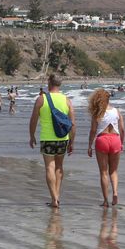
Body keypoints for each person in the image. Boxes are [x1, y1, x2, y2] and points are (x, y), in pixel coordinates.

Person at [29, 74, 76, 208]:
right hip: (62, 138)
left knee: (49, 166)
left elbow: (33, 120)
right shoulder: (67, 100)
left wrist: (32, 136)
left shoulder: (41, 99)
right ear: (59, 84)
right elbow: (73, 123)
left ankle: (54, 199)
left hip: (47, 138)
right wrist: (72, 142)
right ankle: (57, 196)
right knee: (59, 167)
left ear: (49, 82)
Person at [87, 88, 125, 207]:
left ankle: (105, 201)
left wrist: (89, 145)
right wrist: (121, 143)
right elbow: (122, 129)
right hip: (115, 139)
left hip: (102, 140)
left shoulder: (97, 113)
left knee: (103, 172)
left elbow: (93, 130)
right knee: (113, 171)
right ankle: (115, 193)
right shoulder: (117, 111)